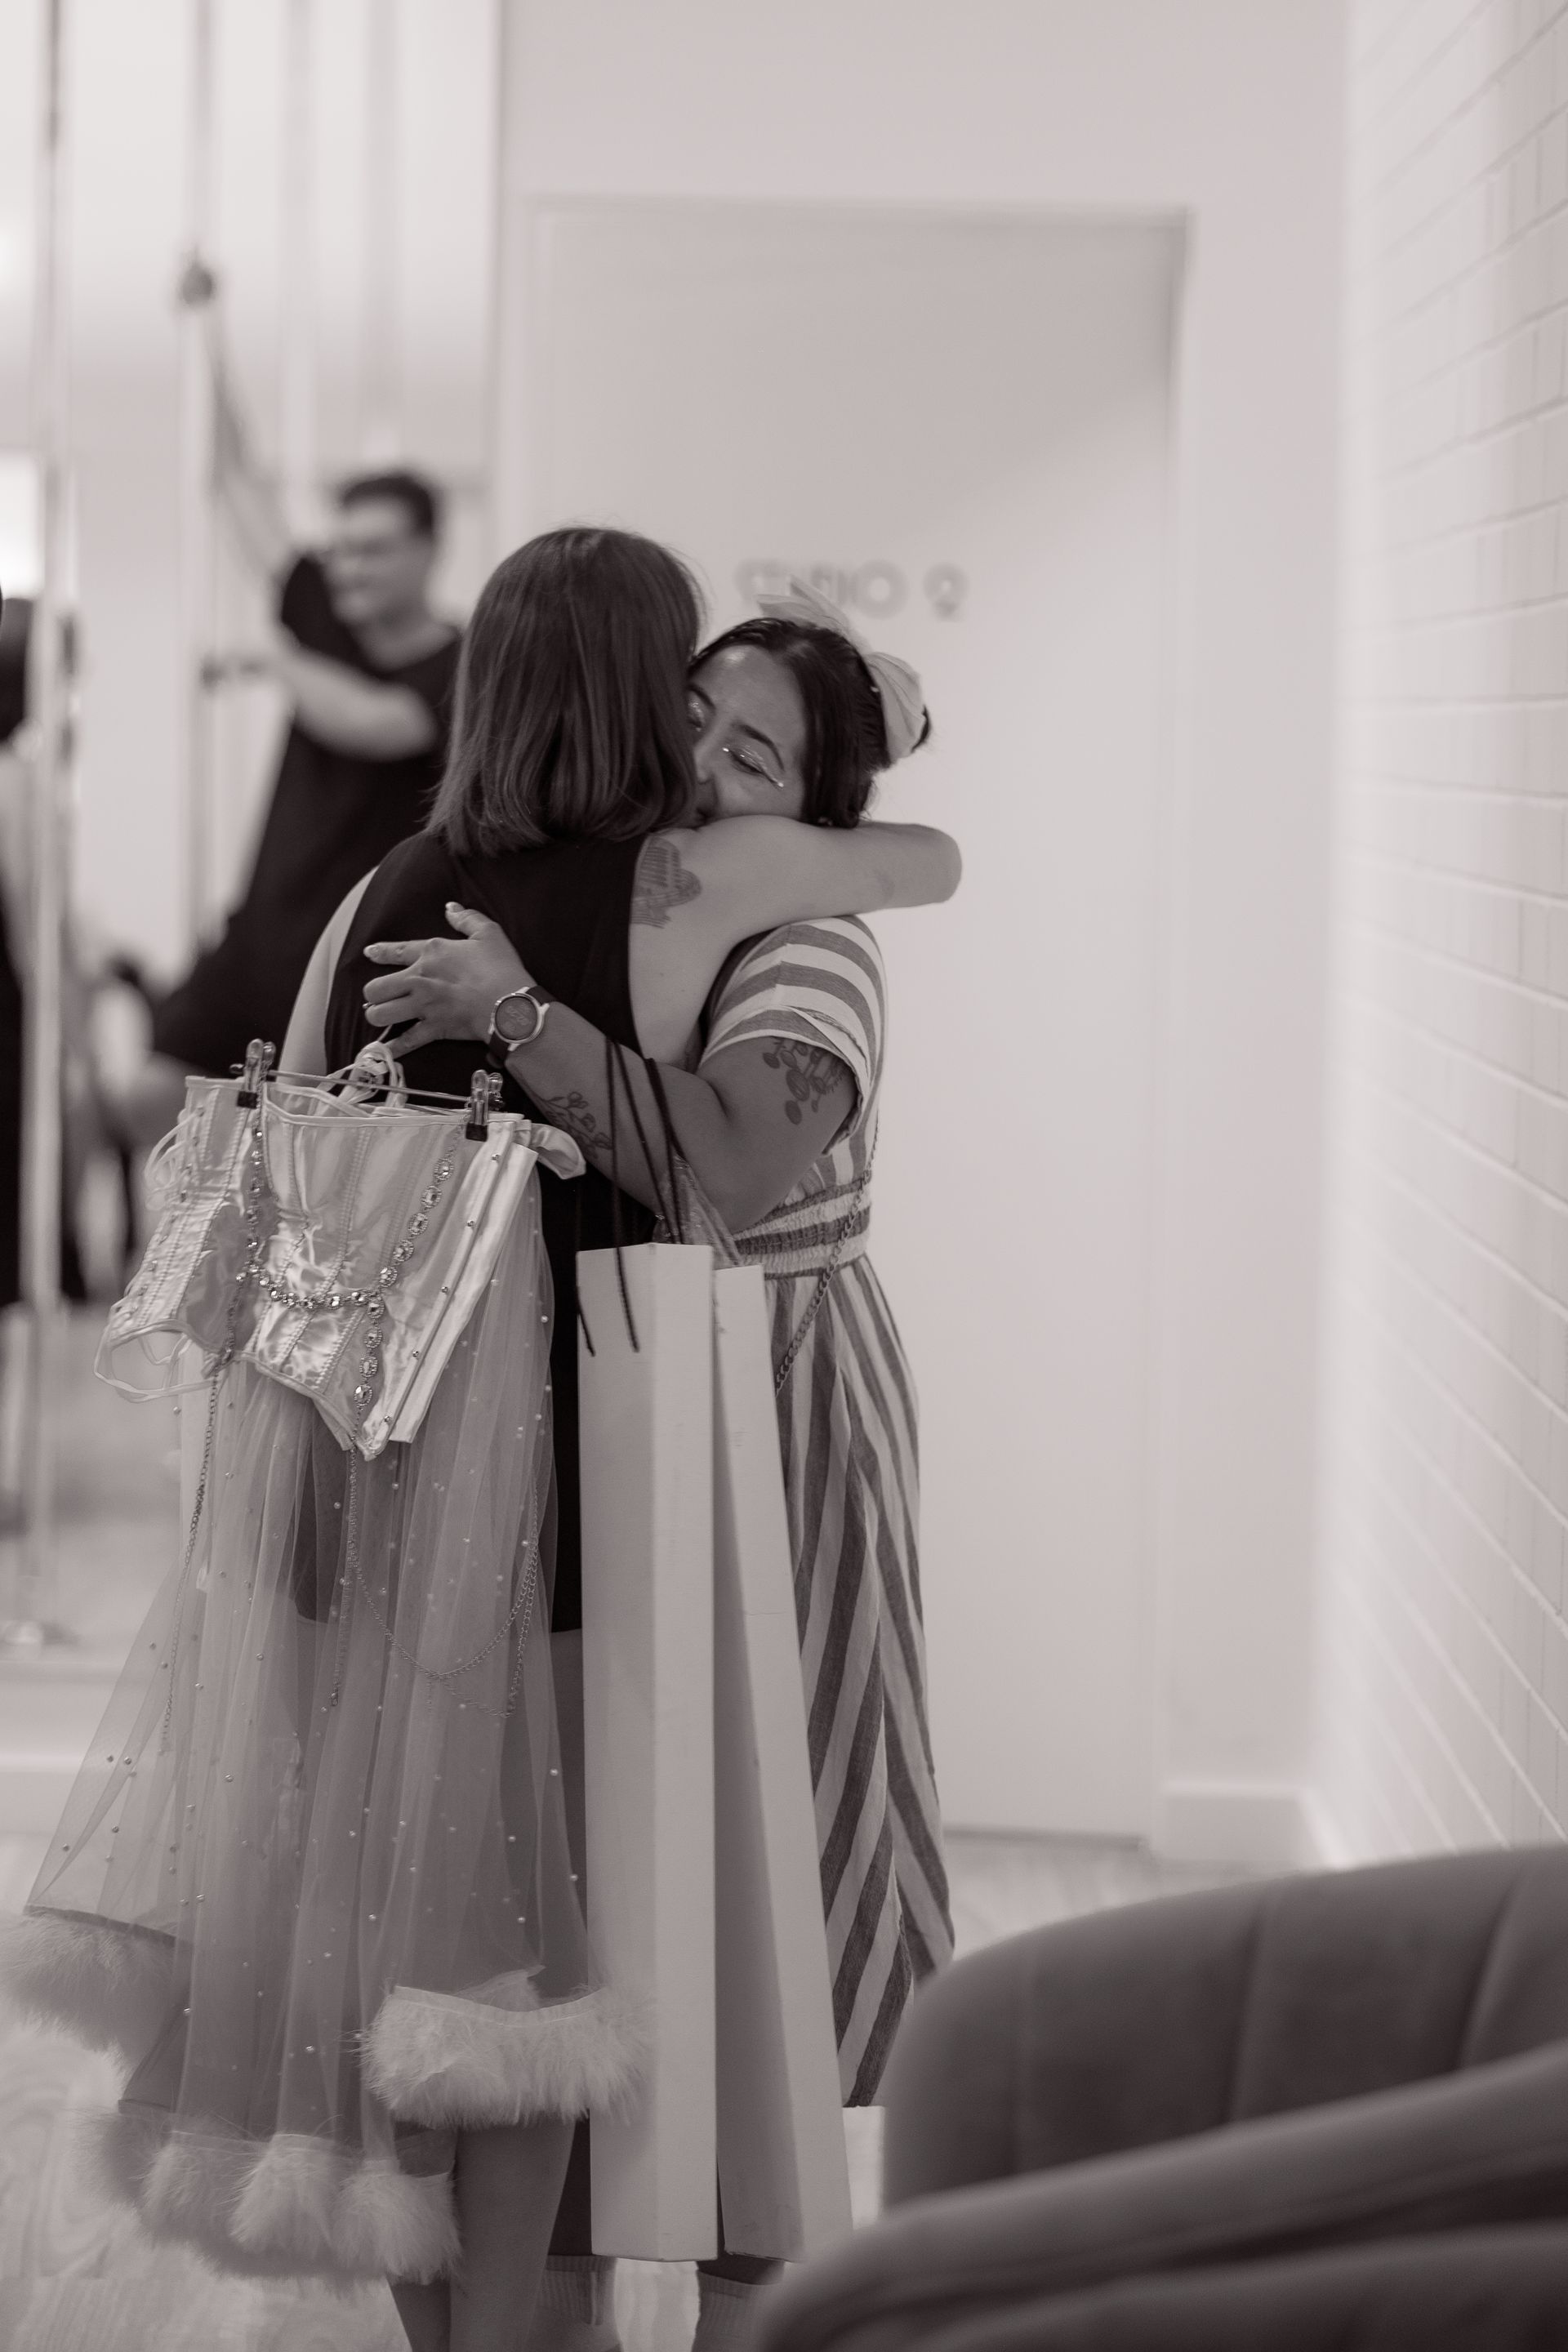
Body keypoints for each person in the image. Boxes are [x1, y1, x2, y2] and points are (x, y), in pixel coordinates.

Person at [343, 576, 956, 2352]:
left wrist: (519, 1013)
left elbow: (724, 1171)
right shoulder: (646, 894)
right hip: (642, 1392)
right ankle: (595, 2285)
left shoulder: (808, 938)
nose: (703, 763)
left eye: (754, 754)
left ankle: (749, 2269)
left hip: (776, 1394)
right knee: (622, 1846)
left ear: (812, 809)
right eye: (696, 715)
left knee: (768, 1837)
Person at [122, 469, 460, 1143]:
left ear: (427, 550)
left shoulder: (461, 660)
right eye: (341, 550)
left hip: (355, 956)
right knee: (152, 1097)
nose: (351, 569)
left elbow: (378, 723)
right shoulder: (328, 623)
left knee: (315, 1137)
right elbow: (246, 500)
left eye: (374, 549)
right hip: (260, 935)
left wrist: (276, 661)